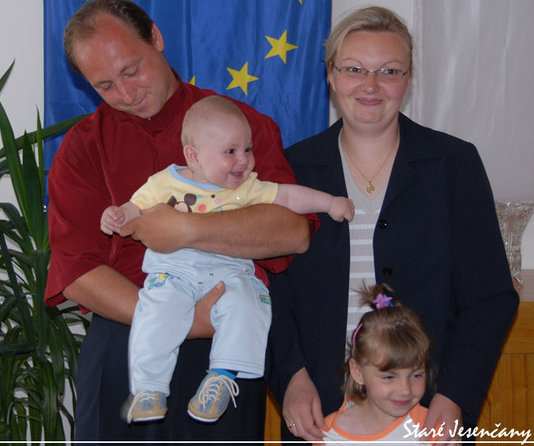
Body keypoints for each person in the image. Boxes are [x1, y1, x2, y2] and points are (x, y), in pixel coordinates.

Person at [45, 0, 314, 444]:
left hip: (223, 350)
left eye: (131, 71)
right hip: (127, 342)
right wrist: (178, 321)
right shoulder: (82, 147)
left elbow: (293, 232)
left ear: (156, 37)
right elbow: (76, 272)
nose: (127, 94)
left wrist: (188, 229)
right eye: (105, 86)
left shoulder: (238, 126)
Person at [267, 5, 519, 444]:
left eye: (389, 71)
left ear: (408, 79)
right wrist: (290, 376)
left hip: (429, 409)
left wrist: (455, 396)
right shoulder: (291, 171)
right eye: (354, 69)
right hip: (318, 410)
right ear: (331, 75)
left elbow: (490, 298)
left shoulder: (453, 165)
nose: (370, 85)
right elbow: (269, 291)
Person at [99, 96, 353, 424]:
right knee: (156, 310)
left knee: (250, 305)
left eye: (247, 149)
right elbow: (135, 208)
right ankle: (149, 388)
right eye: (230, 151)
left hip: (230, 269)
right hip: (176, 270)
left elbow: (289, 196)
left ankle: (222, 376)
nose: (243, 160)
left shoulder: (247, 187)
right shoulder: (165, 182)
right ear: (193, 156)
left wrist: (330, 203)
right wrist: (118, 215)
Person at [320, 283, 438, 445]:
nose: (405, 390)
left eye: (416, 375)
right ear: (358, 372)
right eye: (389, 377)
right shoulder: (327, 434)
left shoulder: (433, 430)